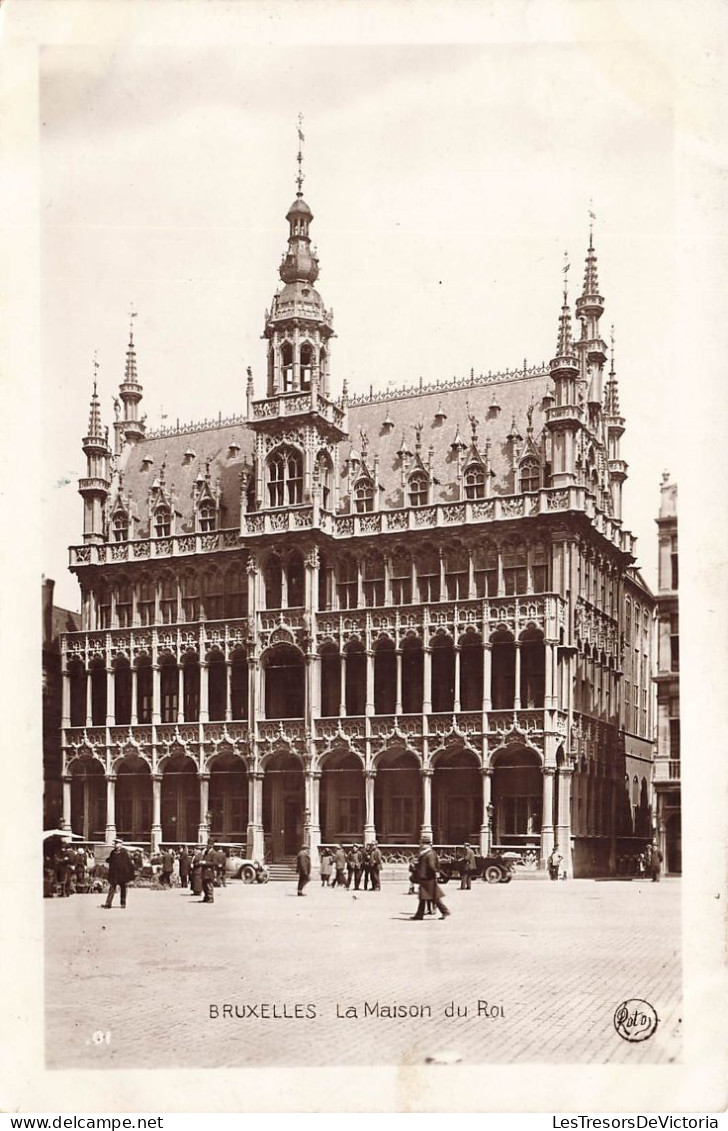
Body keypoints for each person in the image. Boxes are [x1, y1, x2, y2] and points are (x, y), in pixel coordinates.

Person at [411, 836, 450, 920]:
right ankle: (419, 915)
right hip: (424, 877)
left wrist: (436, 872)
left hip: (429, 878)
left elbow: (431, 865)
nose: (420, 844)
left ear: (427, 844)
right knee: (423, 897)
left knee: (434, 897)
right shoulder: (424, 853)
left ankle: (445, 911)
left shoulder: (430, 853)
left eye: (422, 843)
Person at [103, 841, 136, 909]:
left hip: (122, 874)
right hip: (114, 874)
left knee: (123, 889)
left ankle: (123, 903)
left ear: (120, 844)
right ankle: (108, 903)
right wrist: (108, 860)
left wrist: (130, 874)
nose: (115, 844)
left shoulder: (124, 852)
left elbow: (128, 863)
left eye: (116, 843)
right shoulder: (113, 852)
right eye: (115, 843)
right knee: (112, 888)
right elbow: (111, 860)